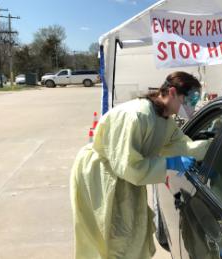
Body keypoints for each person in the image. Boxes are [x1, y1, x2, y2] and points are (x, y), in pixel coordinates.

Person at [70, 71, 211, 259]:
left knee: (132, 233)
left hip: (126, 176)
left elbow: (182, 145)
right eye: (190, 99)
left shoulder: (164, 120)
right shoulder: (137, 116)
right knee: (113, 237)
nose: (191, 106)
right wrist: (171, 163)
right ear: (172, 92)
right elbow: (129, 167)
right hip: (103, 175)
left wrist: (213, 146)